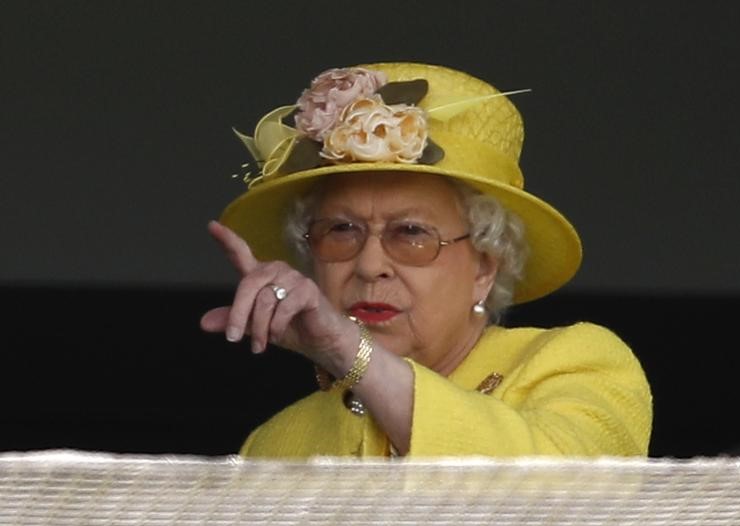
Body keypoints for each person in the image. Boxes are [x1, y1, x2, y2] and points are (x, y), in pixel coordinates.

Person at [201, 62, 652, 458]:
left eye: (411, 233)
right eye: (341, 230)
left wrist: (348, 352)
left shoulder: (575, 362)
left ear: (485, 267)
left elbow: (561, 493)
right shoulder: (275, 443)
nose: (369, 265)